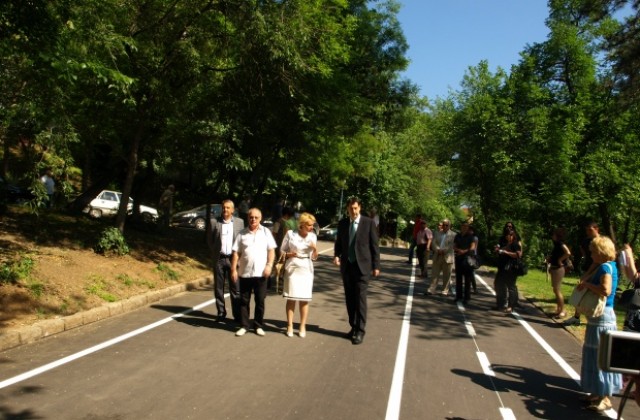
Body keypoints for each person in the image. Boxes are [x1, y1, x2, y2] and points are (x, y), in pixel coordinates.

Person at [578, 235, 622, 412]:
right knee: (595, 355)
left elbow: (606, 290)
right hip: (600, 317)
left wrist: (588, 285)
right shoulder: (607, 265)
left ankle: (604, 397)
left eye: (593, 251)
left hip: (603, 317)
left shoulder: (605, 267)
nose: (591, 254)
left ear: (600, 251)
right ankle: (597, 392)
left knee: (600, 357)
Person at [333, 197, 380, 345]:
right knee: (350, 299)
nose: (353, 211)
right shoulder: (343, 224)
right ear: (347, 208)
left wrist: (376, 266)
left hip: (363, 267)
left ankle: (360, 331)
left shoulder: (368, 223)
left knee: (360, 299)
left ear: (359, 208)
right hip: (347, 267)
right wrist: (336, 256)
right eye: (351, 208)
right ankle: (353, 327)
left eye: (355, 208)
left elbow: (374, 246)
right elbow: (339, 243)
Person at [230, 208, 277, 336]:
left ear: (260, 218)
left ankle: (258, 325)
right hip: (245, 273)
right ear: (248, 218)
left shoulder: (266, 232)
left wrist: (269, 265)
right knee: (244, 301)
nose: (253, 220)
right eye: (251, 217)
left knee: (260, 300)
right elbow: (236, 253)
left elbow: (271, 251)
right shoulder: (242, 234)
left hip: (261, 273)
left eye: (256, 217)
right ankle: (244, 325)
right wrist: (233, 269)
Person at [280, 212, 319, 338]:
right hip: (292, 267)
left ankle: (302, 325)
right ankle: (289, 325)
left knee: (304, 299)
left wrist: (315, 249)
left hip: (306, 268)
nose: (311, 227)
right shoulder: (290, 234)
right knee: (291, 298)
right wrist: (289, 254)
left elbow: (314, 257)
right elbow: (281, 250)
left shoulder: (313, 236)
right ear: (301, 225)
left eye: (312, 225)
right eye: (309, 225)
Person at [207, 199, 244, 323]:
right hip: (219, 259)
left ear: (233, 210)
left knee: (235, 288)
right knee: (219, 288)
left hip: (233, 260)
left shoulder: (240, 222)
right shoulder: (214, 222)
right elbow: (210, 240)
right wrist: (214, 251)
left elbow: (241, 241)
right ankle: (221, 312)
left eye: (228, 208)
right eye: (223, 207)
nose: (225, 210)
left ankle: (237, 315)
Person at [566, 221, 600, 327]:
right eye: (587, 230)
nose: (588, 232)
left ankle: (595, 317)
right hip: (588, 268)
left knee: (593, 294)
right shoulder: (586, 241)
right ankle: (576, 317)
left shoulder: (600, 241)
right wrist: (585, 258)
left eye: (590, 230)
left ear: (596, 229)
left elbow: (597, 261)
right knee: (580, 291)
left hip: (598, 269)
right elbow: (583, 250)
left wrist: (588, 275)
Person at [494, 229, 521, 313]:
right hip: (503, 267)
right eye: (506, 235)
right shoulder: (508, 243)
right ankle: (501, 304)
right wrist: (498, 250)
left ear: (512, 236)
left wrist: (506, 252)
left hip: (511, 268)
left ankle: (511, 306)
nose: (507, 237)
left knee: (511, 286)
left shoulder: (515, 244)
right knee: (498, 284)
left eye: (508, 235)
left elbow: (518, 254)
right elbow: (503, 251)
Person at [426, 219, 456, 296]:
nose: (445, 226)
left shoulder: (453, 235)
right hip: (437, 255)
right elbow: (434, 243)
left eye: (446, 225)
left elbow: (452, 245)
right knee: (434, 274)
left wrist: (444, 250)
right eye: (443, 225)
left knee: (447, 275)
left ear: (449, 226)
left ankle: (444, 290)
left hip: (447, 257)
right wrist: (438, 249)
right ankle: (431, 289)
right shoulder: (437, 233)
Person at [546, 227, 571, 319]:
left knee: (557, 289)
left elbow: (568, 252)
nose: (552, 236)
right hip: (554, 268)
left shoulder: (560, 244)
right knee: (555, 289)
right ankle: (559, 309)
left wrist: (560, 260)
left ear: (557, 235)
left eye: (553, 234)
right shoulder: (556, 244)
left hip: (558, 268)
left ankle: (563, 311)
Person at [453, 222, 476, 303]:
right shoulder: (457, 236)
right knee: (458, 278)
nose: (464, 228)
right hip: (458, 258)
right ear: (461, 227)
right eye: (463, 226)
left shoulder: (470, 236)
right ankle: (458, 296)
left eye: (466, 226)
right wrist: (458, 250)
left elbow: (473, 247)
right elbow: (454, 245)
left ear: (468, 227)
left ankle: (467, 297)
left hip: (467, 259)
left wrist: (465, 251)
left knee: (467, 279)